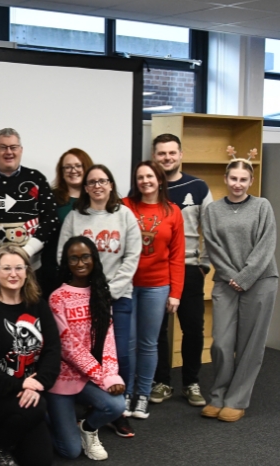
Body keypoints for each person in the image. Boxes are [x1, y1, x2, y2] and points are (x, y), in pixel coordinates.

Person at [55, 164, 141, 437]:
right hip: (83, 297)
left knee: (120, 356)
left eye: (102, 181)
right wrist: (85, 292)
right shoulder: (75, 216)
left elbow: (132, 257)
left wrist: (109, 291)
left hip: (117, 295)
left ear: (111, 185)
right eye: (92, 182)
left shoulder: (124, 215)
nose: (97, 186)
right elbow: (63, 255)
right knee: (86, 352)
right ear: (86, 187)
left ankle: (119, 412)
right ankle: (94, 404)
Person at [0, 245, 60, 466]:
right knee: (37, 408)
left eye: (19, 268)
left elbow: (53, 349)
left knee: (41, 460)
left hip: (27, 391)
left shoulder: (38, 306)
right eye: (6, 268)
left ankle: (1, 433)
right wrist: (22, 385)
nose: (13, 274)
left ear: (27, 271)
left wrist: (39, 383)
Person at [200, 157, 277, 423]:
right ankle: (219, 395)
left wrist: (245, 277)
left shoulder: (261, 206)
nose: (237, 184)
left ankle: (236, 400)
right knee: (221, 342)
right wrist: (233, 277)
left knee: (249, 344)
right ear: (225, 179)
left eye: (243, 180)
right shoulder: (212, 210)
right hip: (226, 282)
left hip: (261, 281)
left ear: (251, 182)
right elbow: (211, 245)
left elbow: (266, 245)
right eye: (233, 178)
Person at [47, 236, 125, 461]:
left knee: (116, 405)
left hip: (88, 379)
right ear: (66, 263)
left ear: (94, 259)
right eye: (73, 259)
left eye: (85, 257)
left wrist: (111, 376)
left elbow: (108, 338)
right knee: (70, 451)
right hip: (61, 380)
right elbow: (68, 347)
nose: (80, 263)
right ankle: (45, 419)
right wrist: (102, 378)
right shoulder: (57, 297)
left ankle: (88, 429)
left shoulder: (100, 294)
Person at [150, 133, 213, 407]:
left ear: (180, 154)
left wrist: (205, 265)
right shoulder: (147, 187)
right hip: (156, 272)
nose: (167, 158)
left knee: (193, 330)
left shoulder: (198, 187)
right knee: (157, 331)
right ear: (155, 157)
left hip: (189, 268)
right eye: (162, 153)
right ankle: (163, 382)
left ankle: (191, 383)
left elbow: (211, 230)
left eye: (171, 153)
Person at [121, 161, 184, 419]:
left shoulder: (173, 211)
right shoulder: (125, 206)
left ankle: (143, 395)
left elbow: (177, 256)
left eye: (149, 176)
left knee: (148, 344)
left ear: (159, 180)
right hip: (126, 285)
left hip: (157, 287)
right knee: (128, 343)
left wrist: (175, 293)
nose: (145, 181)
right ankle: (126, 393)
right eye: (140, 177)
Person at [0, 128, 59, 278]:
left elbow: (51, 219)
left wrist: (27, 251)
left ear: (21, 150)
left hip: (32, 266)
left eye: (13, 147)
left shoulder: (36, 179)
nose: (9, 152)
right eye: (3, 147)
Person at [40, 148, 94, 298]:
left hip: (86, 272)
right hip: (54, 271)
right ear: (61, 171)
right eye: (68, 167)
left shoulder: (96, 198)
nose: (73, 170)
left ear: (86, 167)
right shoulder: (51, 198)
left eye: (78, 166)